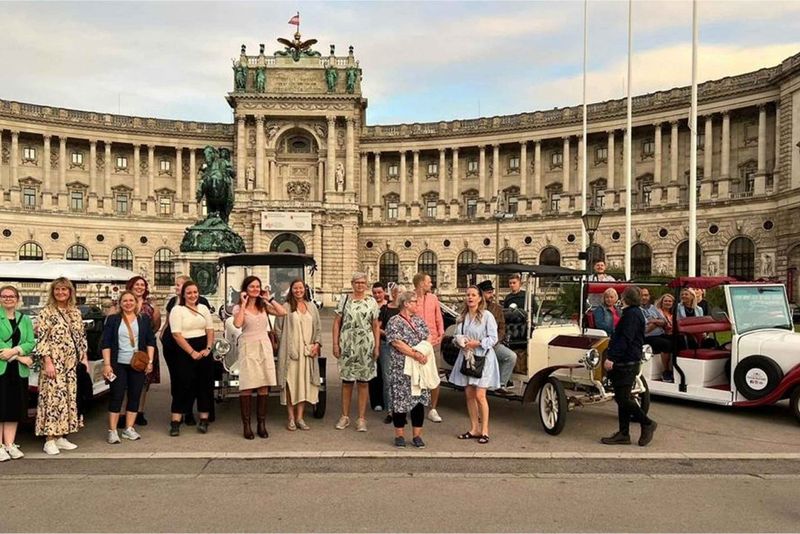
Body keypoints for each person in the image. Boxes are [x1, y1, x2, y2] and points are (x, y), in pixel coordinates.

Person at [35, 277, 87, 455]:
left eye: (64, 289)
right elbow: (42, 339)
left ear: (70, 292)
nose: (60, 293)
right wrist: (47, 361)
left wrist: (84, 357)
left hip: (71, 363)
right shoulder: (46, 312)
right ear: (53, 292)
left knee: (68, 399)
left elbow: (80, 337)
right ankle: (49, 438)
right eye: (57, 289)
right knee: (52, 399)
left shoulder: (75, 312)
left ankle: (61, 435)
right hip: (54, 361)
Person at [601, 286, 657, 446]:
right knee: (622, 397)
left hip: (626, 361)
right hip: (629, 359)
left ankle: (647, 423)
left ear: (625, 298)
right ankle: (623, 433)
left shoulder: (631, 315)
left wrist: (612, 358)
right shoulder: (634, 313)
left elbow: (625, 339)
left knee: (622, 398)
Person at [233, 275, 287, 439]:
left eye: (257, 286)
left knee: (264, 384)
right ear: (245, 289)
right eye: (252, 287)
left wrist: (269, 297)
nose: (255, 289)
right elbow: (237, 324)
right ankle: (246, 425)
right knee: (248, 385)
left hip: (264, 345)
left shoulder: (263, 306)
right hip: (248, 345)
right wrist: (243, 303)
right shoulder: (238, 307)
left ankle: (261, 424)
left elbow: (282, 312)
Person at [100, 290, 156, 444]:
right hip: (118, 363)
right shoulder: (113, 320)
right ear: (120, 303)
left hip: (137, 364)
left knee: (135, 395)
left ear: (136, 302)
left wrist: (149, 362)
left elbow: (151, 341)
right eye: (125, 301)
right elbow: (106, 343)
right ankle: (112, 430)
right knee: (116, 395)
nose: (128, 303)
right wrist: (107, 364)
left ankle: (129, 428)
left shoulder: (143, 319)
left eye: (131, 300)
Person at [449, 285, 500, 444]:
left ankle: (484, 430)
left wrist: (477, 343)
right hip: (467, 357)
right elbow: (456, 336)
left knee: (480, 395)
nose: (470, 298)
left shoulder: (487, 316)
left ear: (479, 298)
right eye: (468, 295)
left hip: (483, 358)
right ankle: (474, 428)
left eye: (473, 295)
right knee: (469, 394)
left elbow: (493, 338)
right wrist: (459, 341)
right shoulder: (463, 317)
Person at [332, 272, 380, 432]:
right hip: (347, 344)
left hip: (365, 346)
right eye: (357, 282)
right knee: (347, 382)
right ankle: (345, 416)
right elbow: (337, 322)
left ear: (366, 285)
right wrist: (335, 344)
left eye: (362, 283)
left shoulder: (371, 302)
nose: (360, 285)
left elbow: (375, 325)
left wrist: (377, 346)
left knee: (363, 383)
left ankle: (361, 418)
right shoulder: (345, 300)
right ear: (352, 284)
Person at [386, 290, 433, 448]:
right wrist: (414, 353)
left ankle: (417, 435)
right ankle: (399, 434)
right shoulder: (394, 321)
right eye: (414, 301)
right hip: (402, 367)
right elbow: (396, 342)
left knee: (418, 400)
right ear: (406, 303)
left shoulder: (419, 321)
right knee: (400, 400)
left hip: (419, 367)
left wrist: (423, 351)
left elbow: (428, 337)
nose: (417, 304)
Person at [162, 274, 210, 427]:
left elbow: (210, 329)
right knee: (182, 383)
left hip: (203, 348)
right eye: (189, 293)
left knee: (203, 384)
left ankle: (204, 418)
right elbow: (176, 334)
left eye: (195, 292)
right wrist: (191, 352)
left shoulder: (203, 307)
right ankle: (176, 420)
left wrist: (208, 348)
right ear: (183, 294)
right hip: (184, 349)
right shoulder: (177, 309)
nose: (193, 295)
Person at [275, 279, 321, 432]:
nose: (298, 291)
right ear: (291, 290)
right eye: (295, 288)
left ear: (305, 289)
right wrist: (286, 346)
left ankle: (300, 417)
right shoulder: (285, 307)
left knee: (303, 384)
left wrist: (316, 344)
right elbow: (278, 329)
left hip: (307, 353)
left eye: (300, 288)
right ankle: (290, 418)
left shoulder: (312, 307)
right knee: (290, 384)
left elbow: (318, 329)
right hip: (291, 353)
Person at [0, 285, 35, 461]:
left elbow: (30, 342)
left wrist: (14, 352)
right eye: (4, 296)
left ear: (17, 298)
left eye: (11, 296)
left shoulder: (25, 319)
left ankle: (9, 444)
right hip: (2, 369)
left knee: (13, 407)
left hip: (18, 372)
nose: (8, 299)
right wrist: (20, 357)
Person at [126, 276, 161, 427]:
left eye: (142, 285)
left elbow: (156, 325)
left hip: (146, 348)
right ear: (131, 286)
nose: (140, 287)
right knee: (127, 383)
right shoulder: (124, 302)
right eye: (137, 284)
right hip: (126, 346)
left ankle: (139, 412)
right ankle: (125, 412)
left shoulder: (151, 306)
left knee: (143, 384)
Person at [413, 272, 445, 423]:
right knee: (415, 376)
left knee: (434, 376)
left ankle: (433, 408)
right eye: (429, 282)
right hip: (416, 344)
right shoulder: (411, 299)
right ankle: (414, 404)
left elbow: (439, 318)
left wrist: (441, 335)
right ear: (421, 284)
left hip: (433, 343)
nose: (431, 284)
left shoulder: (433, 298)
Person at [477, 280, 517, 395]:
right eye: (488, 293)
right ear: (482, 294)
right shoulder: (476, 308)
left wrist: (495, 340)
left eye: (492, 292)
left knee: (511, 356)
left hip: (493, 343)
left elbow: (502, 328)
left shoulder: (497, 308)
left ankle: (501, 384)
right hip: (478, 343)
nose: (491, 295)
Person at [377, 283, 403, 424]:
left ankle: (401, 410)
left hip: (403, 348)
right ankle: (390, 411)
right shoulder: (385, 309)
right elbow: (377, 327)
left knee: (402, 379)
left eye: (399, 292)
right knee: (388, 379)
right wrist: (388, 334)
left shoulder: (405, 310)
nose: (397, 294)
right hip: (386, 346)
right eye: (395, 292)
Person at [368, 282, 388, 412]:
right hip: (373, 342)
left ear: (384, 292)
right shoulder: (370, 306)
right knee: (374, 372)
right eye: (374, 293)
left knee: (386, 373)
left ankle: (387, 400)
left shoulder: (390, 306)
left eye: (379, 292)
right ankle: (376, 401)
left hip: (386, 343)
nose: (377, 295)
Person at [654, 293, 676, 383]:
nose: (668, 302)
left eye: (670, 301)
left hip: (671, 334)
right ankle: (666, 370)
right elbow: (655, 323)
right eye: (665, 301)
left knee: (681, 341)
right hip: (659, 334)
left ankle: (675, 368)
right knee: (667, 344)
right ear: (661, 302)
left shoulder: (673, 313)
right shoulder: (657, 311)